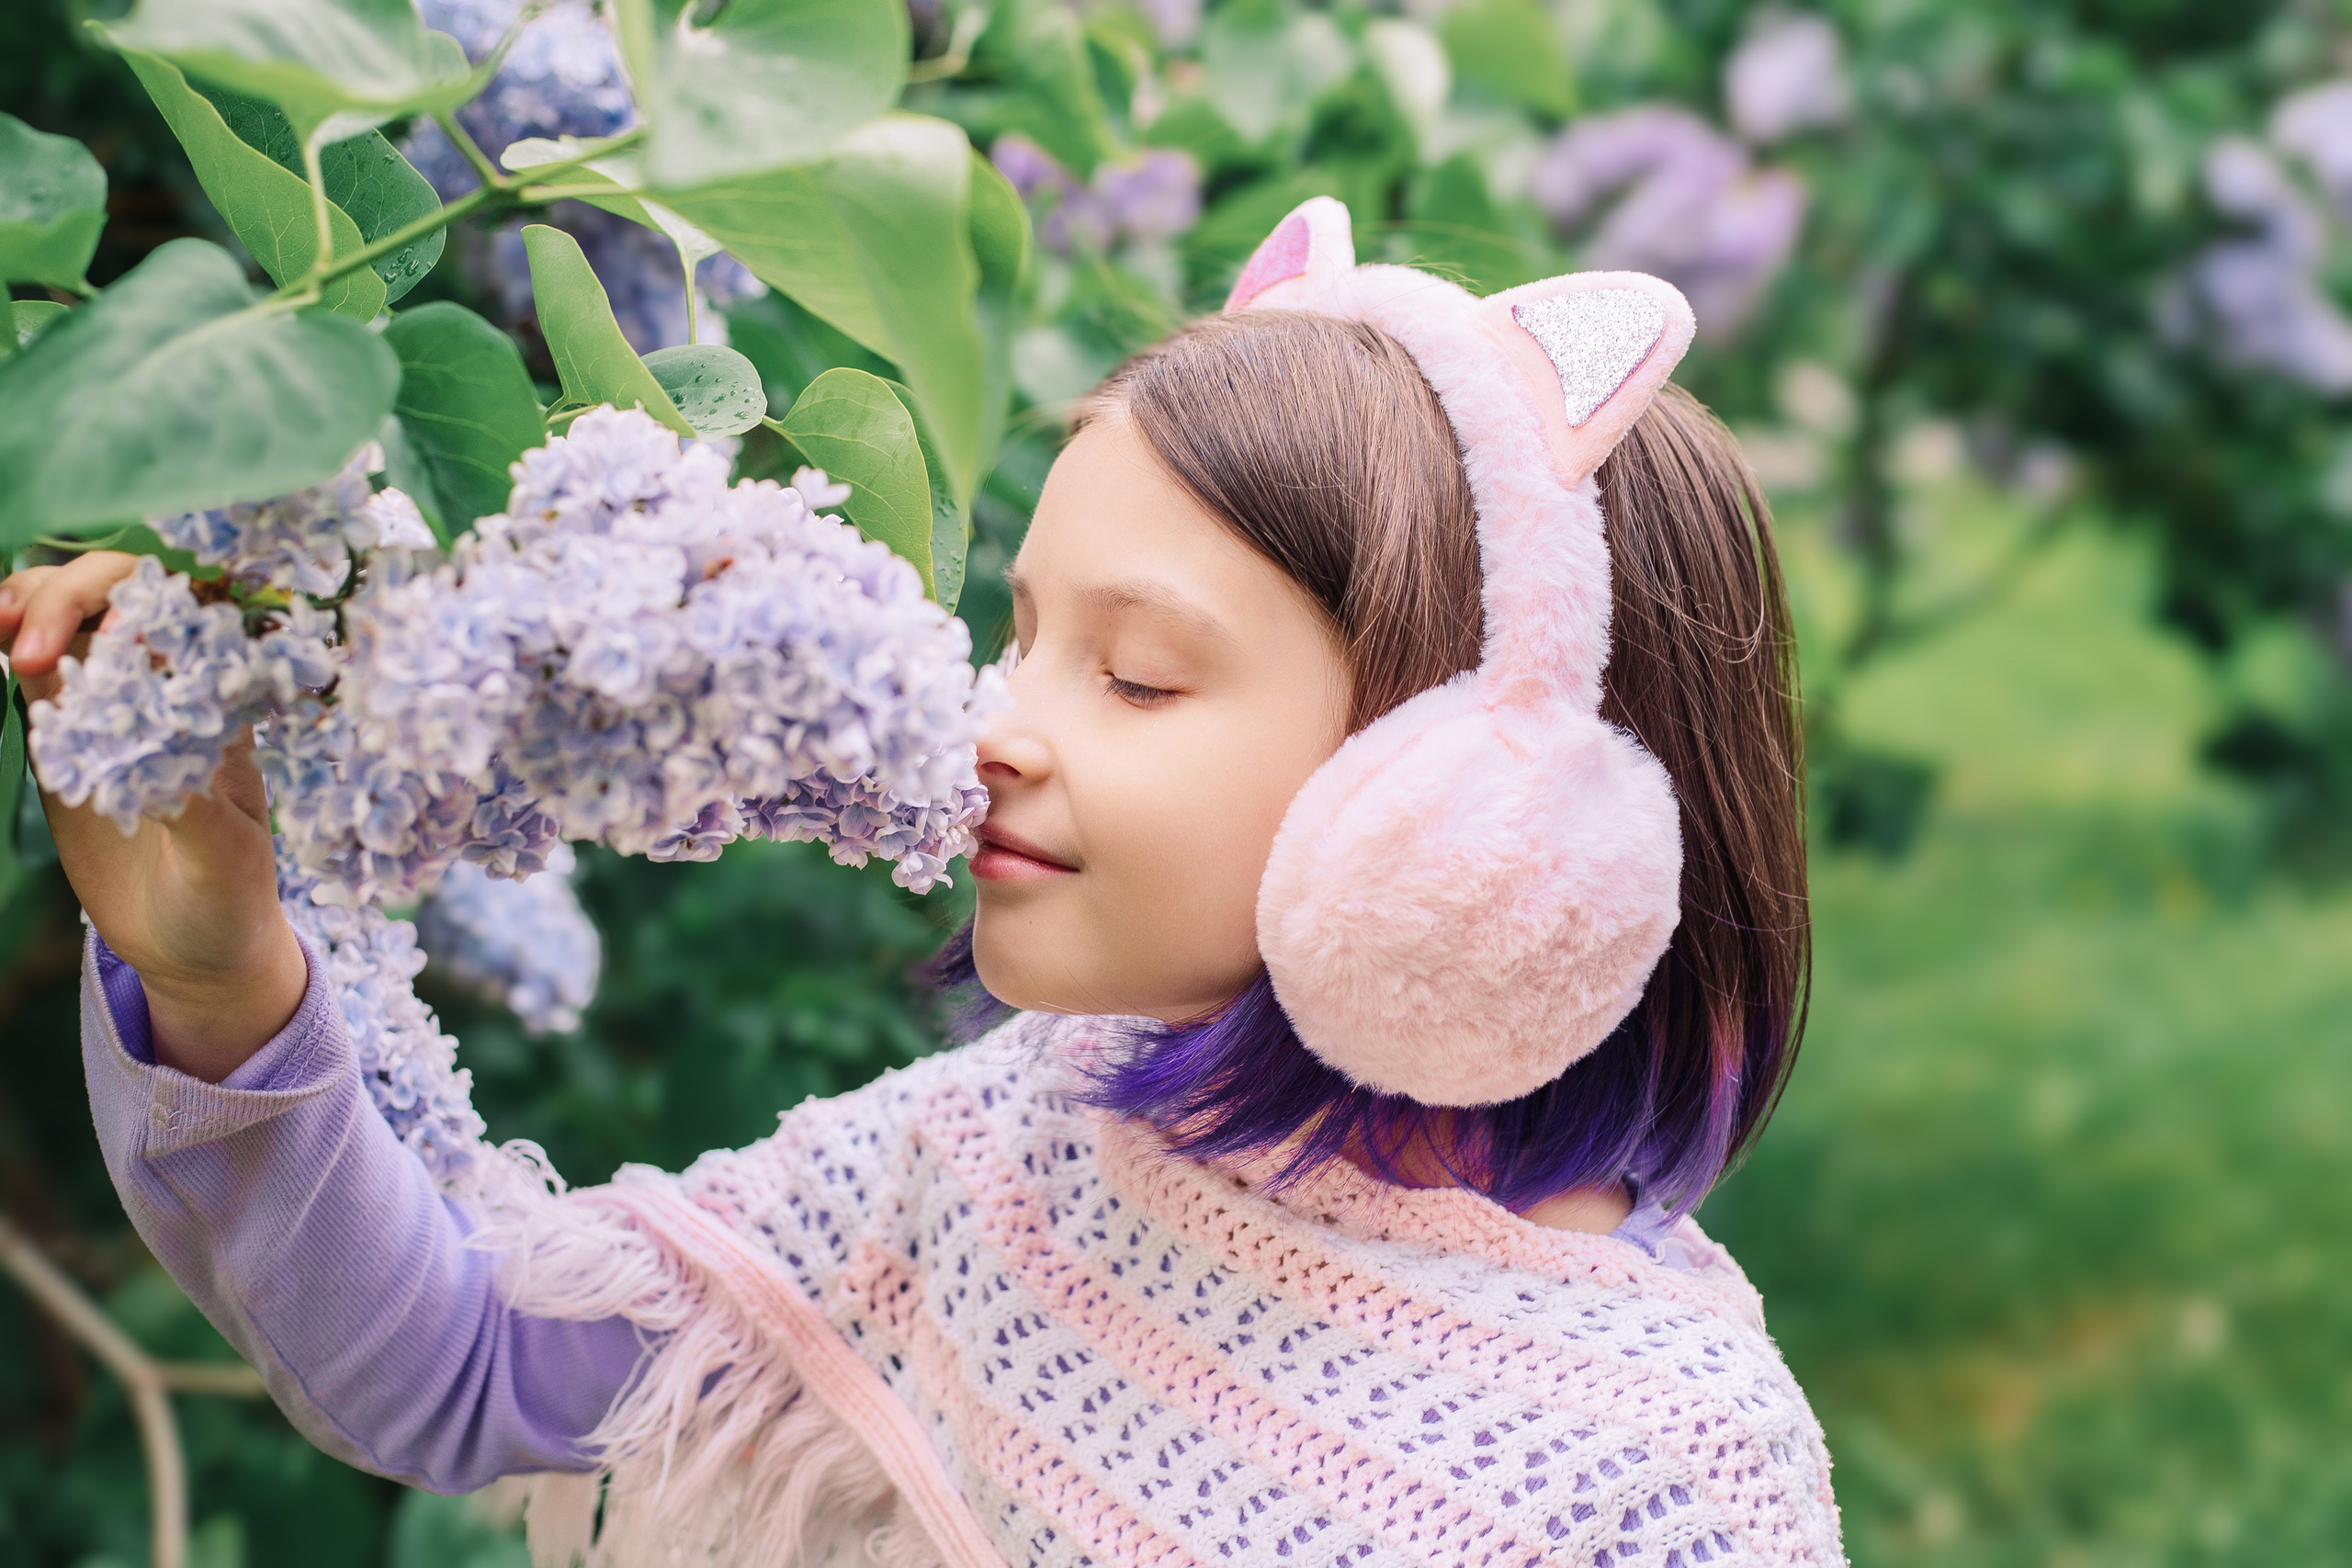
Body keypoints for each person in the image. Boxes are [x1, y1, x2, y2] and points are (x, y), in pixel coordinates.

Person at [2, 199, 1839, 1566]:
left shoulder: (1656, 1468)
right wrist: (223, 967)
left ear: (1464, 808)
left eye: (1133, 673)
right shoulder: (1021, 1156)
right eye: (1020, 633)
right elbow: (461, 1361)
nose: (997, 724)